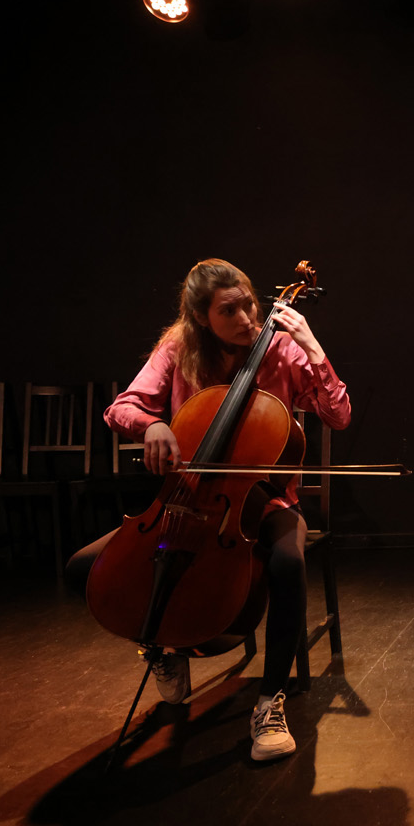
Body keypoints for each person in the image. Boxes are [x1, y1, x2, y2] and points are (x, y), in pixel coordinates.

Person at [66, 258, 351, 761]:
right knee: (84, 569)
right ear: (201, 317)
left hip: (264, 499)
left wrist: (312, 346)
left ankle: (270, 701)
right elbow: (122, 408)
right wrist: (152, 425)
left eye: (249, 304)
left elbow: (338, 415)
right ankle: (162, 646)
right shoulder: (179, 347)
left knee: (288, 563)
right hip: (187, 497)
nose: (247, 318)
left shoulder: (281, 347)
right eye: (229, 311)